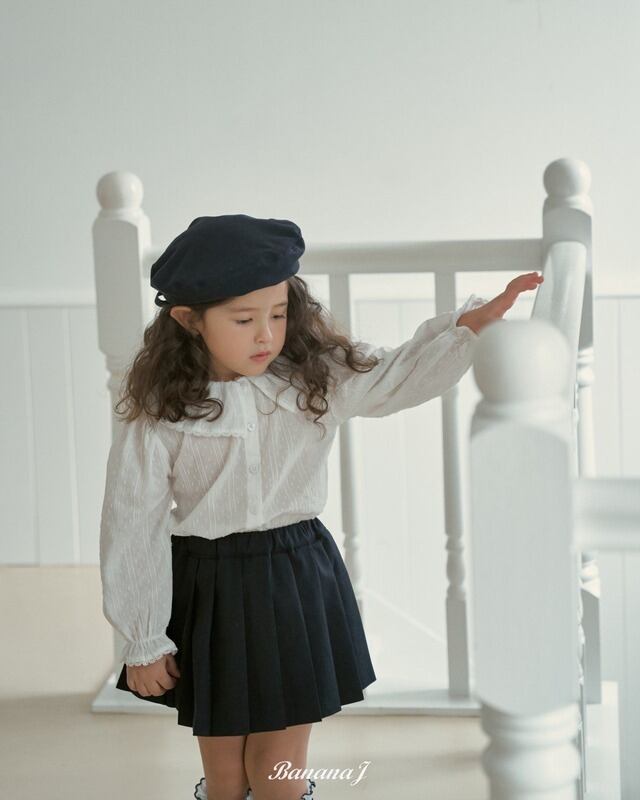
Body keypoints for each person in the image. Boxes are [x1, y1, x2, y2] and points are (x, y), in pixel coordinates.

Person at [99, 213, 543, 800]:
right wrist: (143, 638)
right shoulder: (162, 410)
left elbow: (395, 375)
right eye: (244, 319)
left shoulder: (314, 378)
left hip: (293, 578)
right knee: (226, 775)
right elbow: (133, 522)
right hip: (210, 587)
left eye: (279, 314)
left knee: (277, 769)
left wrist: (467, 328)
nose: (266, 335)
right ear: (188, 319)